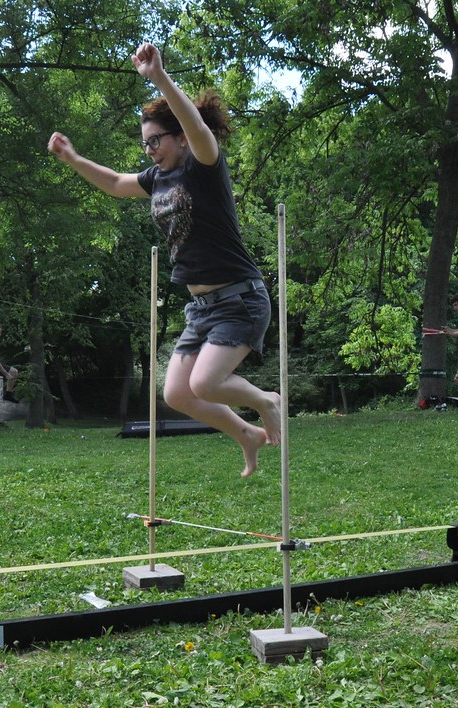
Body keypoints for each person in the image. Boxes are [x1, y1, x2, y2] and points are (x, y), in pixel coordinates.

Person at [48, 42, 280, 477]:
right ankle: (246, 434)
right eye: (145, 144)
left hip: (239, 299)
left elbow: (198, 129)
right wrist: (74, 159)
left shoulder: (203, 166)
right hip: (201, 308)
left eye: (156, 140)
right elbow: (117, 183)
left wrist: (159, 79)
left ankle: (267, 400)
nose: (150, 150)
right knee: (177, 393)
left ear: (178, 137)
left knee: (205, 384)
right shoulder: (156, 178)